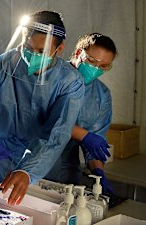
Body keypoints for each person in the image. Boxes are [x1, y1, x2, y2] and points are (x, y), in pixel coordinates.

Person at [0, 11, 85, 206]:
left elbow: (57, 132)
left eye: (41, 52)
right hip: (0, 155)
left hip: (42, 161)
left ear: (60, 49)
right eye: (27, 48)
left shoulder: (70, 82)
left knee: (39, 212)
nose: (32, 57)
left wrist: (27, 170)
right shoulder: (3, 65)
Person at [45, 33, 117, 194]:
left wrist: (98, 171)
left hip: (67, 170)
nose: (96, 69)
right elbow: (42, 117)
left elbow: (95, 141)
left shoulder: (101, 95)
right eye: (92, 61)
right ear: (78, 53)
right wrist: (83, 134)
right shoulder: (50, 75)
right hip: (32, 160)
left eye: (104, 66)